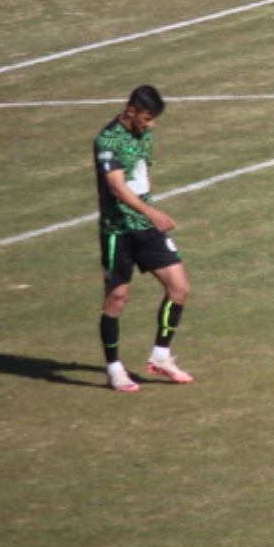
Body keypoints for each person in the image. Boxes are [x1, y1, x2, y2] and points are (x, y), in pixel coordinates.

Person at [95, 85, 193, 392]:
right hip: (119, 232)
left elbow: (143, 173)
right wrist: (151, 212)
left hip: (146, 229)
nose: (151, 125)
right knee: (117, 299)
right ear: (131, 110)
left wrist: (149, 204)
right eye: (147, 118)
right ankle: (114, 369)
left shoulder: (144, 135)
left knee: (179, 289)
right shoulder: (107, 140)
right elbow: (116, 188)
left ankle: (160, 356)